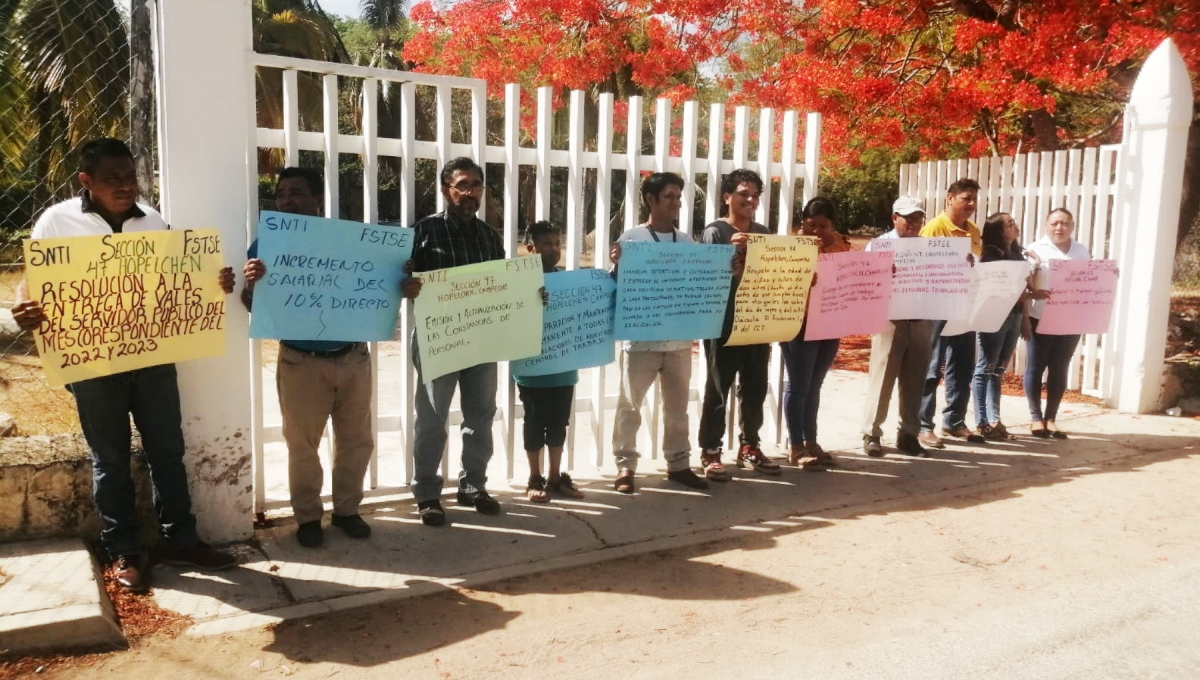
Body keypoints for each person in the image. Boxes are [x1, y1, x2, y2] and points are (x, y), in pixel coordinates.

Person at [11, 138, 237, 593]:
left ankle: (181, 538)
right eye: (112, 179)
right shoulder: (57, 221)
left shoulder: (152, 220)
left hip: (152, 358)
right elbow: (31, 283)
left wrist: (214, 282)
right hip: (92, 363)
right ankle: (125, 552)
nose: (124, 186)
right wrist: (24, 307)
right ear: (86, 181)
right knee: (110, 457)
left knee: (168, 450)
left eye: (130, 177)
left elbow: (176, 277)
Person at [241, 167, 376, 547]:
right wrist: (252, 284)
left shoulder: (346, 241)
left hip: (352, 358)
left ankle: (348, 510)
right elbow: (251, 304)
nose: (287, 200)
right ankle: (308, 517)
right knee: (302, 443)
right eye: (282, 194)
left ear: (318, 199)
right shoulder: (268, 243)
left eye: (297, 192)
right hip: (300, 360)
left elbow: (378, 280)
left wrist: (401, 280)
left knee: (356, 439)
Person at [402, 157, 522, 526]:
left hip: (482, 340)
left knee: (481, 415)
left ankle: (472, 486)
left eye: (476, 186)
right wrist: (407, 286)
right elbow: (399, 276)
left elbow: (502, 284)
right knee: (433, 419)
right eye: (462, 185)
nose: (470, 193)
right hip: (440, 340)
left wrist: (529, 296)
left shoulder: (489, 235)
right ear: (446, 190)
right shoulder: (423, 232)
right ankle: (426, 493)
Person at [609, 172, 710, 493]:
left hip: (679, 341)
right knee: (630, 405)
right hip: (641, 340)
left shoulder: (686, 242)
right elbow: (618, 285)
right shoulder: (633, 239)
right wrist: (617, 265)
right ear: (651, 200)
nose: (676, 202)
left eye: (679, 196)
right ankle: (625, 467)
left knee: (677, 407)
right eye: (669, 196)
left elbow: (699, 285)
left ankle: (678, 464)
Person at [696, 169, 781, 481]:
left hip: (757, 321)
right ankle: (710, 450)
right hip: (723, 323)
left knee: (756, 386)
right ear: (726, 197)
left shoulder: (765, 233)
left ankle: (750, 446)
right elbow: (707, 279)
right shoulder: (715, 233)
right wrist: (731, 268)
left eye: (755, 195)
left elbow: (775, 275)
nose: (750, 199)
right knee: (718, 388)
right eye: (744, 193)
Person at [516, 221, 585, 502]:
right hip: (532, 369)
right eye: (546, 244)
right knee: (534, 422)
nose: (553, 249)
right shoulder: (520, 283)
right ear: (531, 248)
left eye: (557, 244)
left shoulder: (567, 281)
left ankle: (556, 477)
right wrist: (530, 300)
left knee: (559, 422)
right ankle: (535, 476)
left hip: (564, 368)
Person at [781, 197, 852, 468]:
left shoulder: (842, 245)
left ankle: (811, 441)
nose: (817, 232)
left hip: (829, 323)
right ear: (803, 223)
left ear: (832, 224)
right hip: (798, 324)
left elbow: (855, 276)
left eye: (823, 226)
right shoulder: (790, 247)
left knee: (814, 385)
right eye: (811, 225)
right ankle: (796, 446)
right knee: (799, 386)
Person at [861, 196, 934, 458]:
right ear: (894, 218)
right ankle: (872, 432)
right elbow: (865, 280)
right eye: (908, 218)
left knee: (916, 379)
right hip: (889, 318)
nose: (914, 223)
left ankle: (909, 434)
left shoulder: (931, 248)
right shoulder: (879, 246)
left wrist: (964, 265)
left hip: (921, 317)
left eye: (918, 218)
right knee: (882, 378)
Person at [918, 178, 986, 448]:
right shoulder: (934, 229)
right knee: (932, 368)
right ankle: (924, 425)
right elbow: (922, 266)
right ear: (950, 198)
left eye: (973, 200)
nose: (970, 205)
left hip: (965, 306)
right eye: (965, 198)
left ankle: (954, 421)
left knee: (962, 365)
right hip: (937, 307)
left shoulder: (973, 231)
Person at [971, 212, 1041, 441]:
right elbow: (999, 292)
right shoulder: (989, 256)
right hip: (994, 317)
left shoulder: (1017, 254)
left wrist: (1025, 320)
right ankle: (982, 422)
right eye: (1009, 224)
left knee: (999, 369)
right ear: (998, 231)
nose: (1015, 226)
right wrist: (1031, 295)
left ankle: (995, 419)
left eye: (1014, 222)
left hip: (1014, 316)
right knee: (985, 368)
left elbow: (1022, 291)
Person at [1024, 208, 1091, 439]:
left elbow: (1091, 281)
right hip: (1039, 318)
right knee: (1035, 366)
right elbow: (1024, 283)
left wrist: (1109, 275)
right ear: (1046, 225)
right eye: (1054, 223)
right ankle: (1035, 417)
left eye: (1064, 223)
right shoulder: (1034, 250)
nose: (1059, 228)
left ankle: (1051, 418)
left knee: (1060, 367)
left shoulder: (1082, 252)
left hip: (1070, 319)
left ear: (1072, 226)